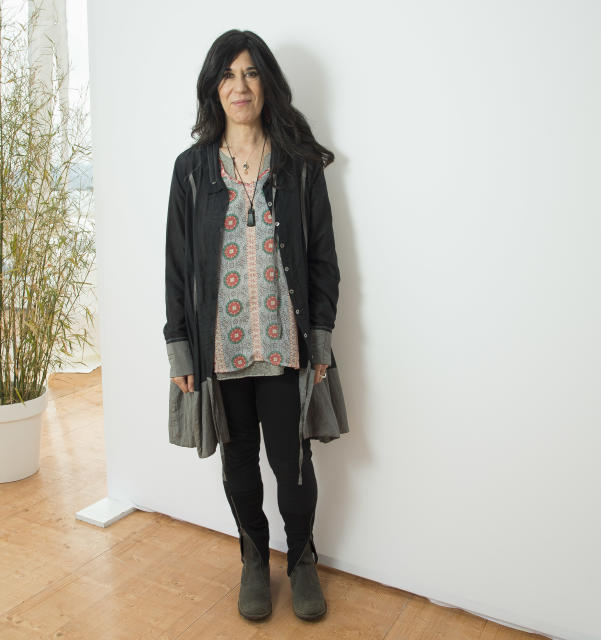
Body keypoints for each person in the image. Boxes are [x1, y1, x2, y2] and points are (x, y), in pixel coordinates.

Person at [164, 29, 349, 622]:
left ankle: (300, 560)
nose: (239, 87)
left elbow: (323, 257)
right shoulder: (192, 170)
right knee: (238, 459)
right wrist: (180, 350)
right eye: (227, 75)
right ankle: (252, 558)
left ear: (266, 82)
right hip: (219, 346)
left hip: (282, 340)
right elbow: (175, 265)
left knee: (291, 462)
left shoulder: (298, 166)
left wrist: (320, 335)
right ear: (213, 88)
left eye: (249, 73)